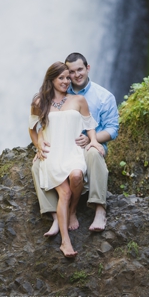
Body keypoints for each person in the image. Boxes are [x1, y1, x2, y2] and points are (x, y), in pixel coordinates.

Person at [32, 53, 118, 235]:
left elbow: (112, 130)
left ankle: (99, 208)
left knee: (93, 153)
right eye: (71, 72)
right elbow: (45, 122)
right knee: (37, 165)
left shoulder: (104, 96)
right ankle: (54, 215)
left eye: (80, 69)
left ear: (88, 68)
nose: (76, 75)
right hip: (60, 146)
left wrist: (91, 139)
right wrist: (39, 142)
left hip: (85, 146)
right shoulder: (61, 90)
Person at [28, 62, 101, 258]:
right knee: (65, 192)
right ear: (51, 79)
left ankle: (72, 211)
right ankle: (65, 242)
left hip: (73, 151)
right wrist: (38, 146)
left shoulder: (78, 100)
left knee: (77, 176)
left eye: (68, 78)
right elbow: (32, 129)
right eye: (61, 78)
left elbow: (90, 124)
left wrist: (93, 140)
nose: (66, 81)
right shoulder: (39, 102)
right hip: (53, 154)